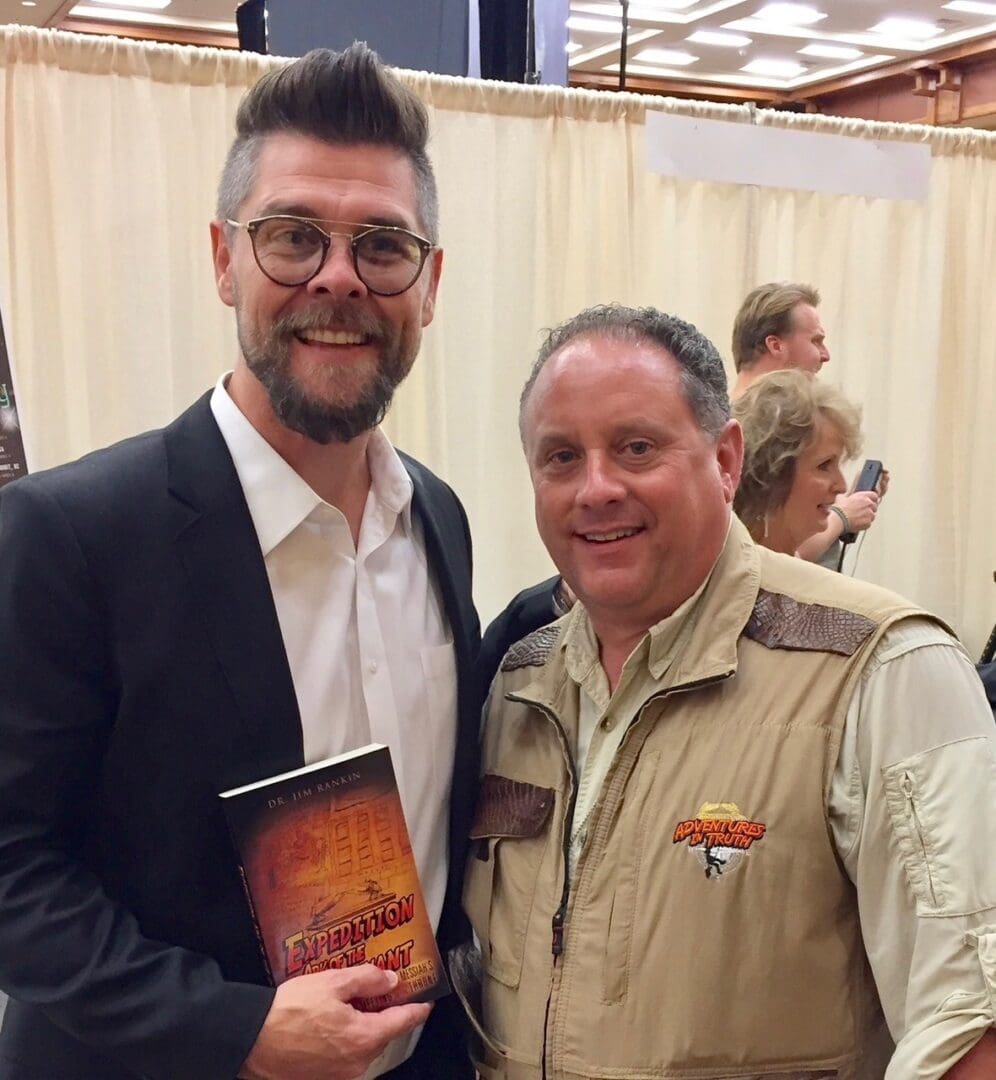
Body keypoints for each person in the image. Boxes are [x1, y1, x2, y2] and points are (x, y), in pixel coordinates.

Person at [0, 45, 479, 1080]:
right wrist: (239, 1032)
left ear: (429, 284)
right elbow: (13, 872)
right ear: (224, 258)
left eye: (383, 245)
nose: (339, 278)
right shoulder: (71, 535)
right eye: (293, 236)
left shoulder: (438, 518)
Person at [457, 303, 996, 1079]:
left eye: (636, 448)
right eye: (562, 458)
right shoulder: (518, 684)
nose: (596, 489)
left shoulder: (883, 670)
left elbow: (968, 1030)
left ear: (725, 458)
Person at [731, 281, 884, 563]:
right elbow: (766, 552)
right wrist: (841, 516)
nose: (825, 355)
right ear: (775, 345)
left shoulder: (726, 426)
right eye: (816, 341)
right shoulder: (730, 437)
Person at [733, 368, 866, 558]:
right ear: (771, 473)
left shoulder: (783, 567)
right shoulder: (733, 575)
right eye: (824, 465)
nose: (842, 487)